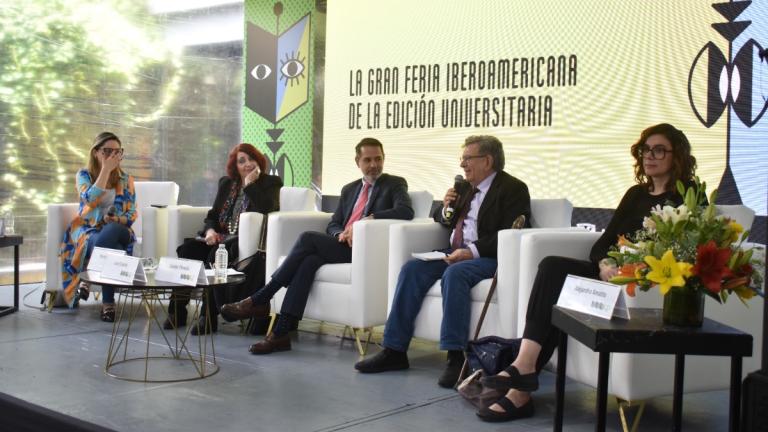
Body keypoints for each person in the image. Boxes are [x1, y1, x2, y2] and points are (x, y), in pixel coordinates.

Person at [475, 123, 699, 422]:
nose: (650, 155)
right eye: (646, 149)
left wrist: (633, 268)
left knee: (561, 295)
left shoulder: (688, 196)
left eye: (659, 150)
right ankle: (524, 367)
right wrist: (605, 264)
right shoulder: (635, 195)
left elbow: (687, 247)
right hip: (608, 277)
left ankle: (520, 389)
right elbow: (603, 243)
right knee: (553, 267)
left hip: (642, 283)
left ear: (678, 156)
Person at [354, 135, 532, 388]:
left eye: (468, 158)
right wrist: (446, 206)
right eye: (462, 159)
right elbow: (443, 219)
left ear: (488, 160)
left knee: (455, 274)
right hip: (455, 251)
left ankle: (455, 356)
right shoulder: (466, 188)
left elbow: (512, 232)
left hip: (490, 258)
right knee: (412, 269)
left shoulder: (512, 188)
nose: (462, 165)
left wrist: (472, 251)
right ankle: (394, 350)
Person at [219, 137, 414, 354]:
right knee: (308, 262)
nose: (374, 165)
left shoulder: (395, 183)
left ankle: (261, 298)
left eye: (378, 159)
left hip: (366, 249)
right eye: (367, 160)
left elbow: (405, 211)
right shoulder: (350, 189)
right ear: (357, 161)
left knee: (307, 238)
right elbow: (334, 223)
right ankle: (281, 333)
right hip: (343, 245)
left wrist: (368, 220)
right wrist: (340, 233)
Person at [164, 143, 282, 335]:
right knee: (187, 250)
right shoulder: (226, 184)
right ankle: (177, 311)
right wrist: (210, 231)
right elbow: (212, 215)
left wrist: (250, 184)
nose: (247, 164)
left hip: (242, 243)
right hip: (218, 238)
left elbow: (268, 208)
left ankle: (207, 316)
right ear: (234, 166)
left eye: (251, 159)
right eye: (241, 161)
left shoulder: (271, 182)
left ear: (259, 160)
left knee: (214, 255)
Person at [60, 132, 136, 322]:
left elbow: (131, 214)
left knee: (111, 232)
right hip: (90, 231)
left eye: (117, 152)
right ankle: (108, 304)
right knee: (112, 249)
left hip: (120, 230)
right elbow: (89, 199)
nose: (112, 156)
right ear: (95, 153)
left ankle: (88, 277)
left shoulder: (126, 180)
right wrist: (105, 171)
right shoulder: (83, 175)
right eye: (107, 151)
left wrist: (116, 220)